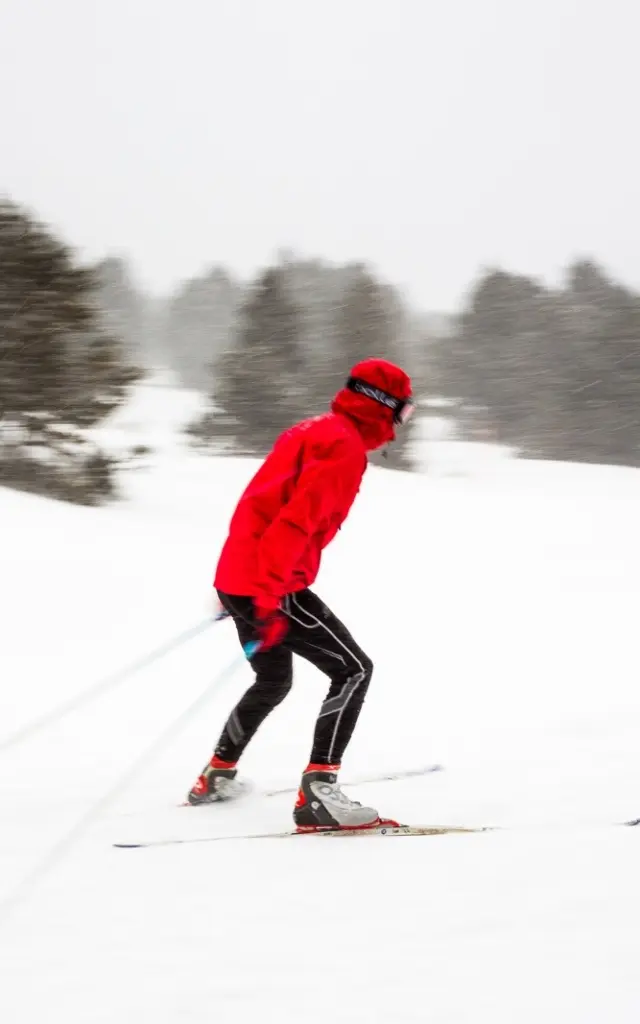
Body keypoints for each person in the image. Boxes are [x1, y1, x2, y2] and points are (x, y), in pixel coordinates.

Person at [187, 357, 414, 831]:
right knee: (353, 670)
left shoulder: (311, 430)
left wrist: (231, 589)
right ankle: (319, 793)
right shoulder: (343, 447)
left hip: (243, 577)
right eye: (404, 412)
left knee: (272, 680)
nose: (402, 424)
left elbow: (256, 504)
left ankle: (218, 774)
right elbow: (294, 523)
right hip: (270, 581)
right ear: (383, 406)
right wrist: (267, 599)